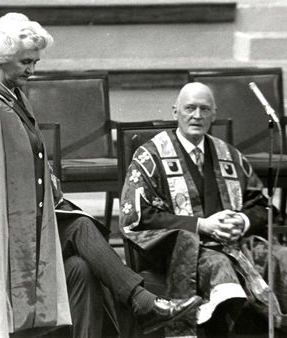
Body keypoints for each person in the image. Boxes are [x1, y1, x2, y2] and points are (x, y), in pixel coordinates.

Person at [0, 12, 201, 338]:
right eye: (25, 62)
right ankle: (142, 302)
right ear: (1, 58)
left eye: (35, 62)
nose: (32, 69)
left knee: (81, 268)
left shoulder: (14, 97)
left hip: (27, 221)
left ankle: (141, 302)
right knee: (82, 227)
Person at [119, 82, 287, 337]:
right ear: (175, 111)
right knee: (218, 266)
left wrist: (241, 220)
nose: (197, 116)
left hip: (237, 244)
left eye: (204, 109)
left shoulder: (230, 155)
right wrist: (202, 225)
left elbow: (263, 206)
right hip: (184, 247)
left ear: (214, 114)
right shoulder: (150, 156)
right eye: (190, 108)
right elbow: (139, 216)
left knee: (282, 257)